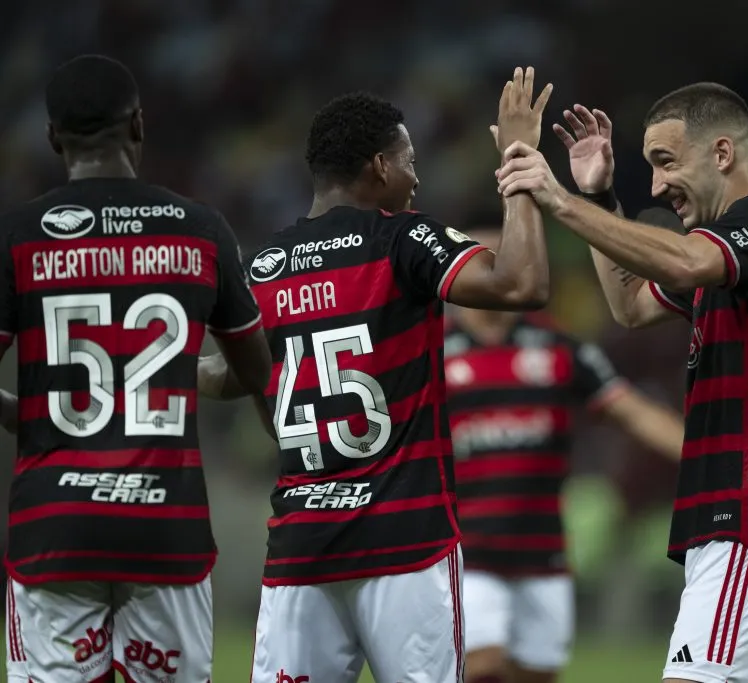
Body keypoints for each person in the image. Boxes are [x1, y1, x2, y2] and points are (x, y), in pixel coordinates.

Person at [197, 67, 553, 683]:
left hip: (302, 549)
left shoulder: (265, 267)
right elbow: (521, 284)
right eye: (409, 161)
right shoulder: (402, 239)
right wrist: (519, 165)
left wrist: (162, 364)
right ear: (381, 166)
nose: (416, 178)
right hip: (406, 543)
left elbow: (238, 376)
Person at [494, 83, 748, 683]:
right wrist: (596, 195)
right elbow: (629, 305)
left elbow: (685, 260)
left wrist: (557, 200)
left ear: (722, 153)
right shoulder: (727, 259)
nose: (655, 187)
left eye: (666, 162)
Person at [0, 54, 271, 683]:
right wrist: (182, 375)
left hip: (55, 527)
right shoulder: (201, 231)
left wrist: (26, 415)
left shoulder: (18, 237)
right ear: (139, 124)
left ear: (53, 138)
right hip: (166, 526)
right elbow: (257, 373)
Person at [447, 221, 686, 683]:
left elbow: (632, 411)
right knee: (483, 666)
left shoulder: (559, 348)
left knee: (536, 675)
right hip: (466, 553)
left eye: (502, 260)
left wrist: (707, 456)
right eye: (482, 262)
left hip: (542, 551)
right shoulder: (435, 353)